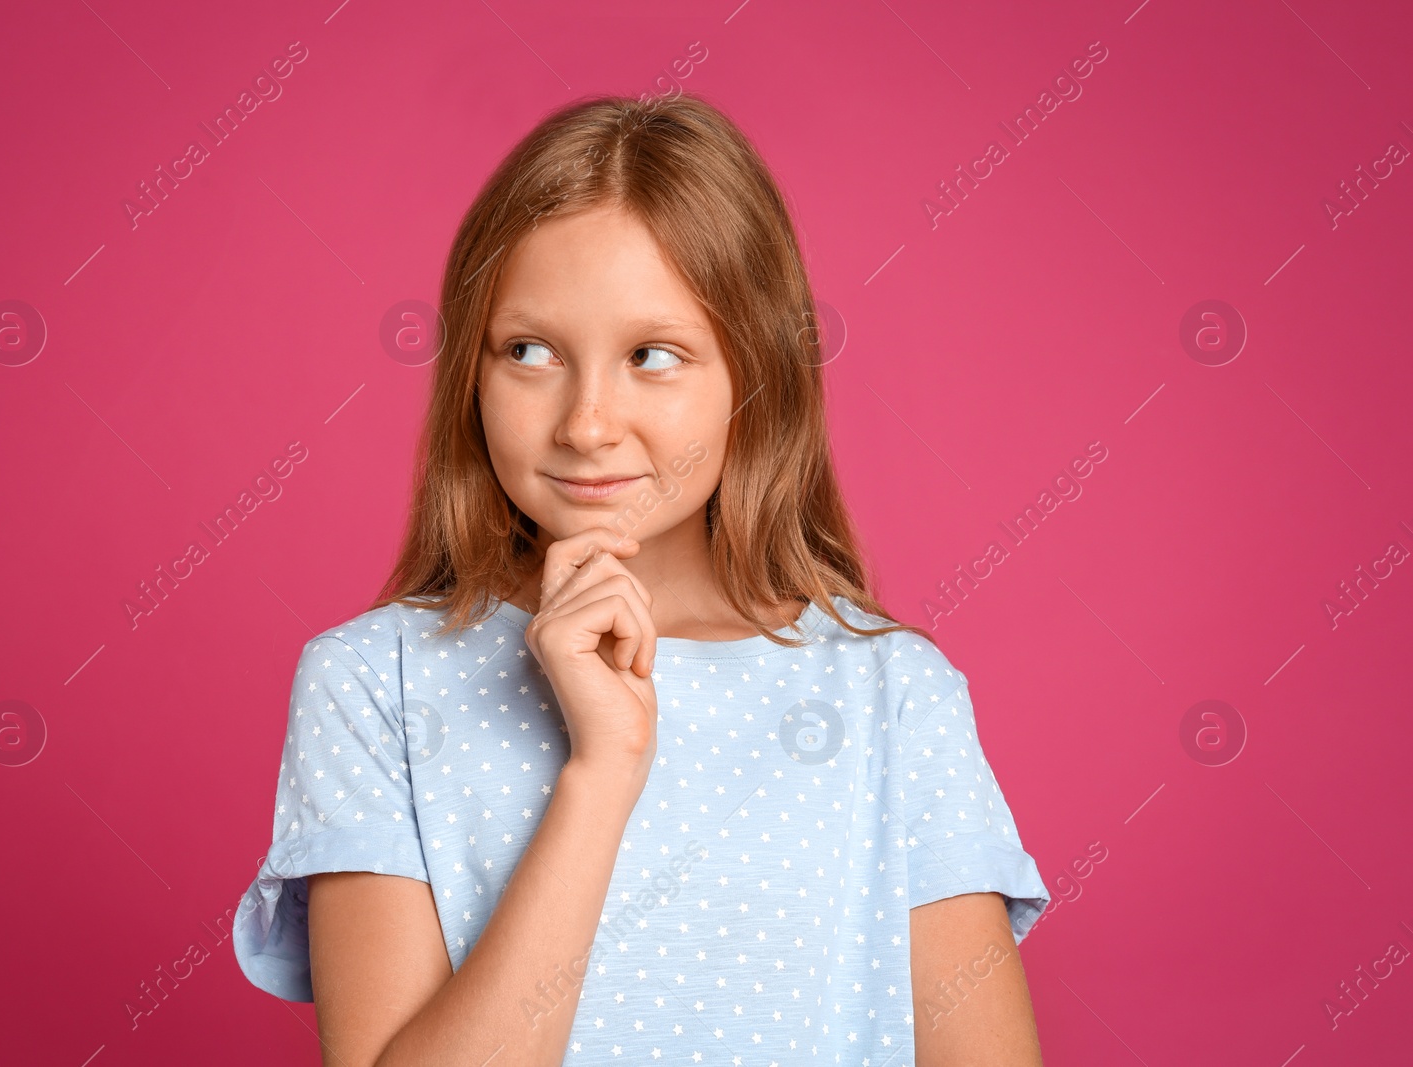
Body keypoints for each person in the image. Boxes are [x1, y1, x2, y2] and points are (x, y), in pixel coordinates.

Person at [233, 93, 1050, 1066]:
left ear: (754, 375)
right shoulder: (373, 683)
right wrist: (601, 770)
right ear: (471, 371)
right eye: (528, 350)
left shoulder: (891, 695)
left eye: (651, 356)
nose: (585, 422)